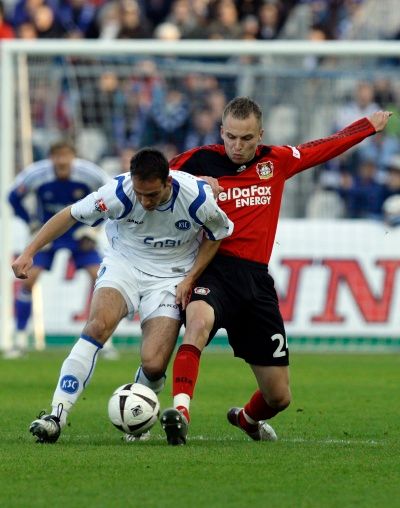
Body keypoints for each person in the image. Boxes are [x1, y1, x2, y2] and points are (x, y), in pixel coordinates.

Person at [152, 96, 391, 445]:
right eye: (231, 137)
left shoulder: (276, 161)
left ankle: (247, 419)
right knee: (198, 323)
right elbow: (150, 178)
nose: (237, 145)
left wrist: (366, 127)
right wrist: (195, 183)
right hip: (212, 268)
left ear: (260, 135)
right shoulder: (197, 161)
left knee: (279, 397)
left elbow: (322, 147)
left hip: (256, 282)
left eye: (247, 138)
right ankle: (181, 413)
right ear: (222, 131)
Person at [12, 147, 233, 443]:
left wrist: (190, 278)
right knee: (96, 326)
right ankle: (56, 416)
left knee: (154, 364)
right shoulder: (118, 192)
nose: (144, 201)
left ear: (168, 182)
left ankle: (138, 423)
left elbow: (218, 234)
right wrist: (29, 251)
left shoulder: (196, 198)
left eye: (152, 195)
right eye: (140, 193)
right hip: (123, 265)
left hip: (170, 277)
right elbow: (69, 215)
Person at [6, 140, 119, 359]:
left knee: (100, 279)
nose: (62, 161)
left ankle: (106, 341)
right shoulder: (36, 174)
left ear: (73, 157)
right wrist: (31, 223)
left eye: (66, 156)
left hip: (78, 234)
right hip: (48, 234)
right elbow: (13, 197)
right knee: (28, 280)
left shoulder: (89, 173)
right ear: (51, 158)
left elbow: (113, 197)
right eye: (57, 156)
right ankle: (19, 338)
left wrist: (93, 230)